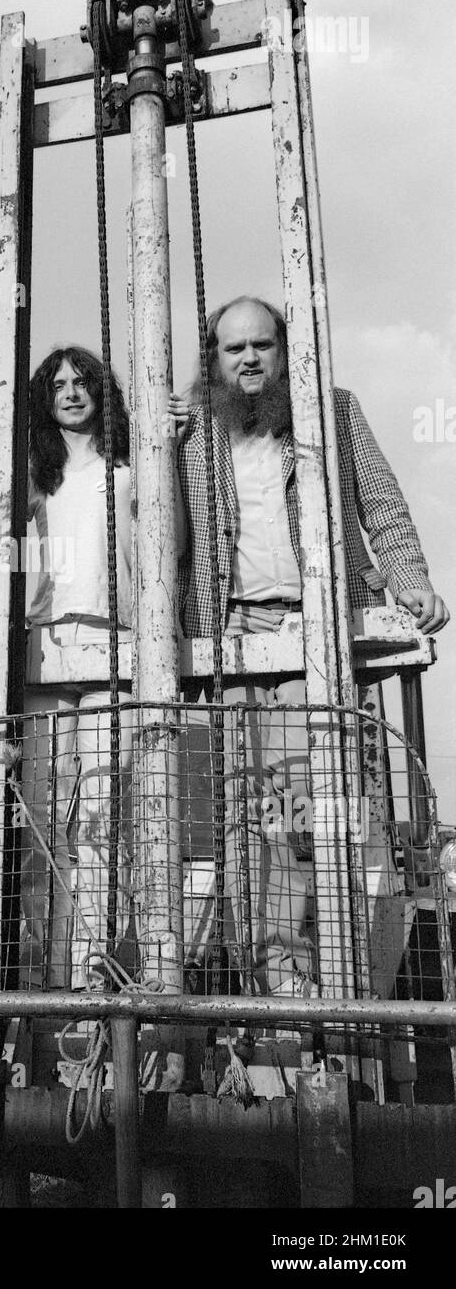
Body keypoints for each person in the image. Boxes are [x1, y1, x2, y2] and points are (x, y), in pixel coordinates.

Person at [176, 295, 449, 996]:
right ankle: (271, 988)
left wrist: (410, 581)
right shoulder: (193, 431)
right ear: (213, 356)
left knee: (307, 817)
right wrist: (152, 434)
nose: (246, 358)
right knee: (243, 820)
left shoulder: (330, 410)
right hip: (232, 634)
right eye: (231, 347)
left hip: (315, 629)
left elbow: (380, 502)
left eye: (260, 344)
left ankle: (320, 989)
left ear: (283, 348)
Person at [0, 347, 187, 990]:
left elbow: (174, 543)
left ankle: (90, 968)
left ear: (104, 393)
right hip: (44, 651)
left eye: (83, 382)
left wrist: (173, 453)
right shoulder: (31, 477)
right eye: (57, 385)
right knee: (40, 817)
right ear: (41, 402)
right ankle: (43, 969)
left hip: (117, 646)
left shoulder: (131, 469)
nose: (71, 392)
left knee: (101, 815)